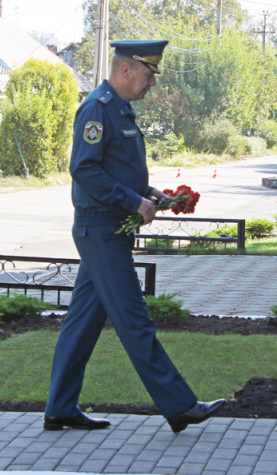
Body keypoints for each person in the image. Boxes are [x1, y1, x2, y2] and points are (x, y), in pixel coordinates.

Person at [44, 40, 226, 433]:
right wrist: (131, 200)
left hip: (108, 226)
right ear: (125, 70)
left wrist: (150, 195)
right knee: (134, 320)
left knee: (81, 324)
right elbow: (85, 170)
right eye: (148, 75)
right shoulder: (98, 108)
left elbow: (115, 169)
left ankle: (59, 408)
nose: (152, 85)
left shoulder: (120, 110)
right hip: (101, 229)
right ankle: (179, 406)